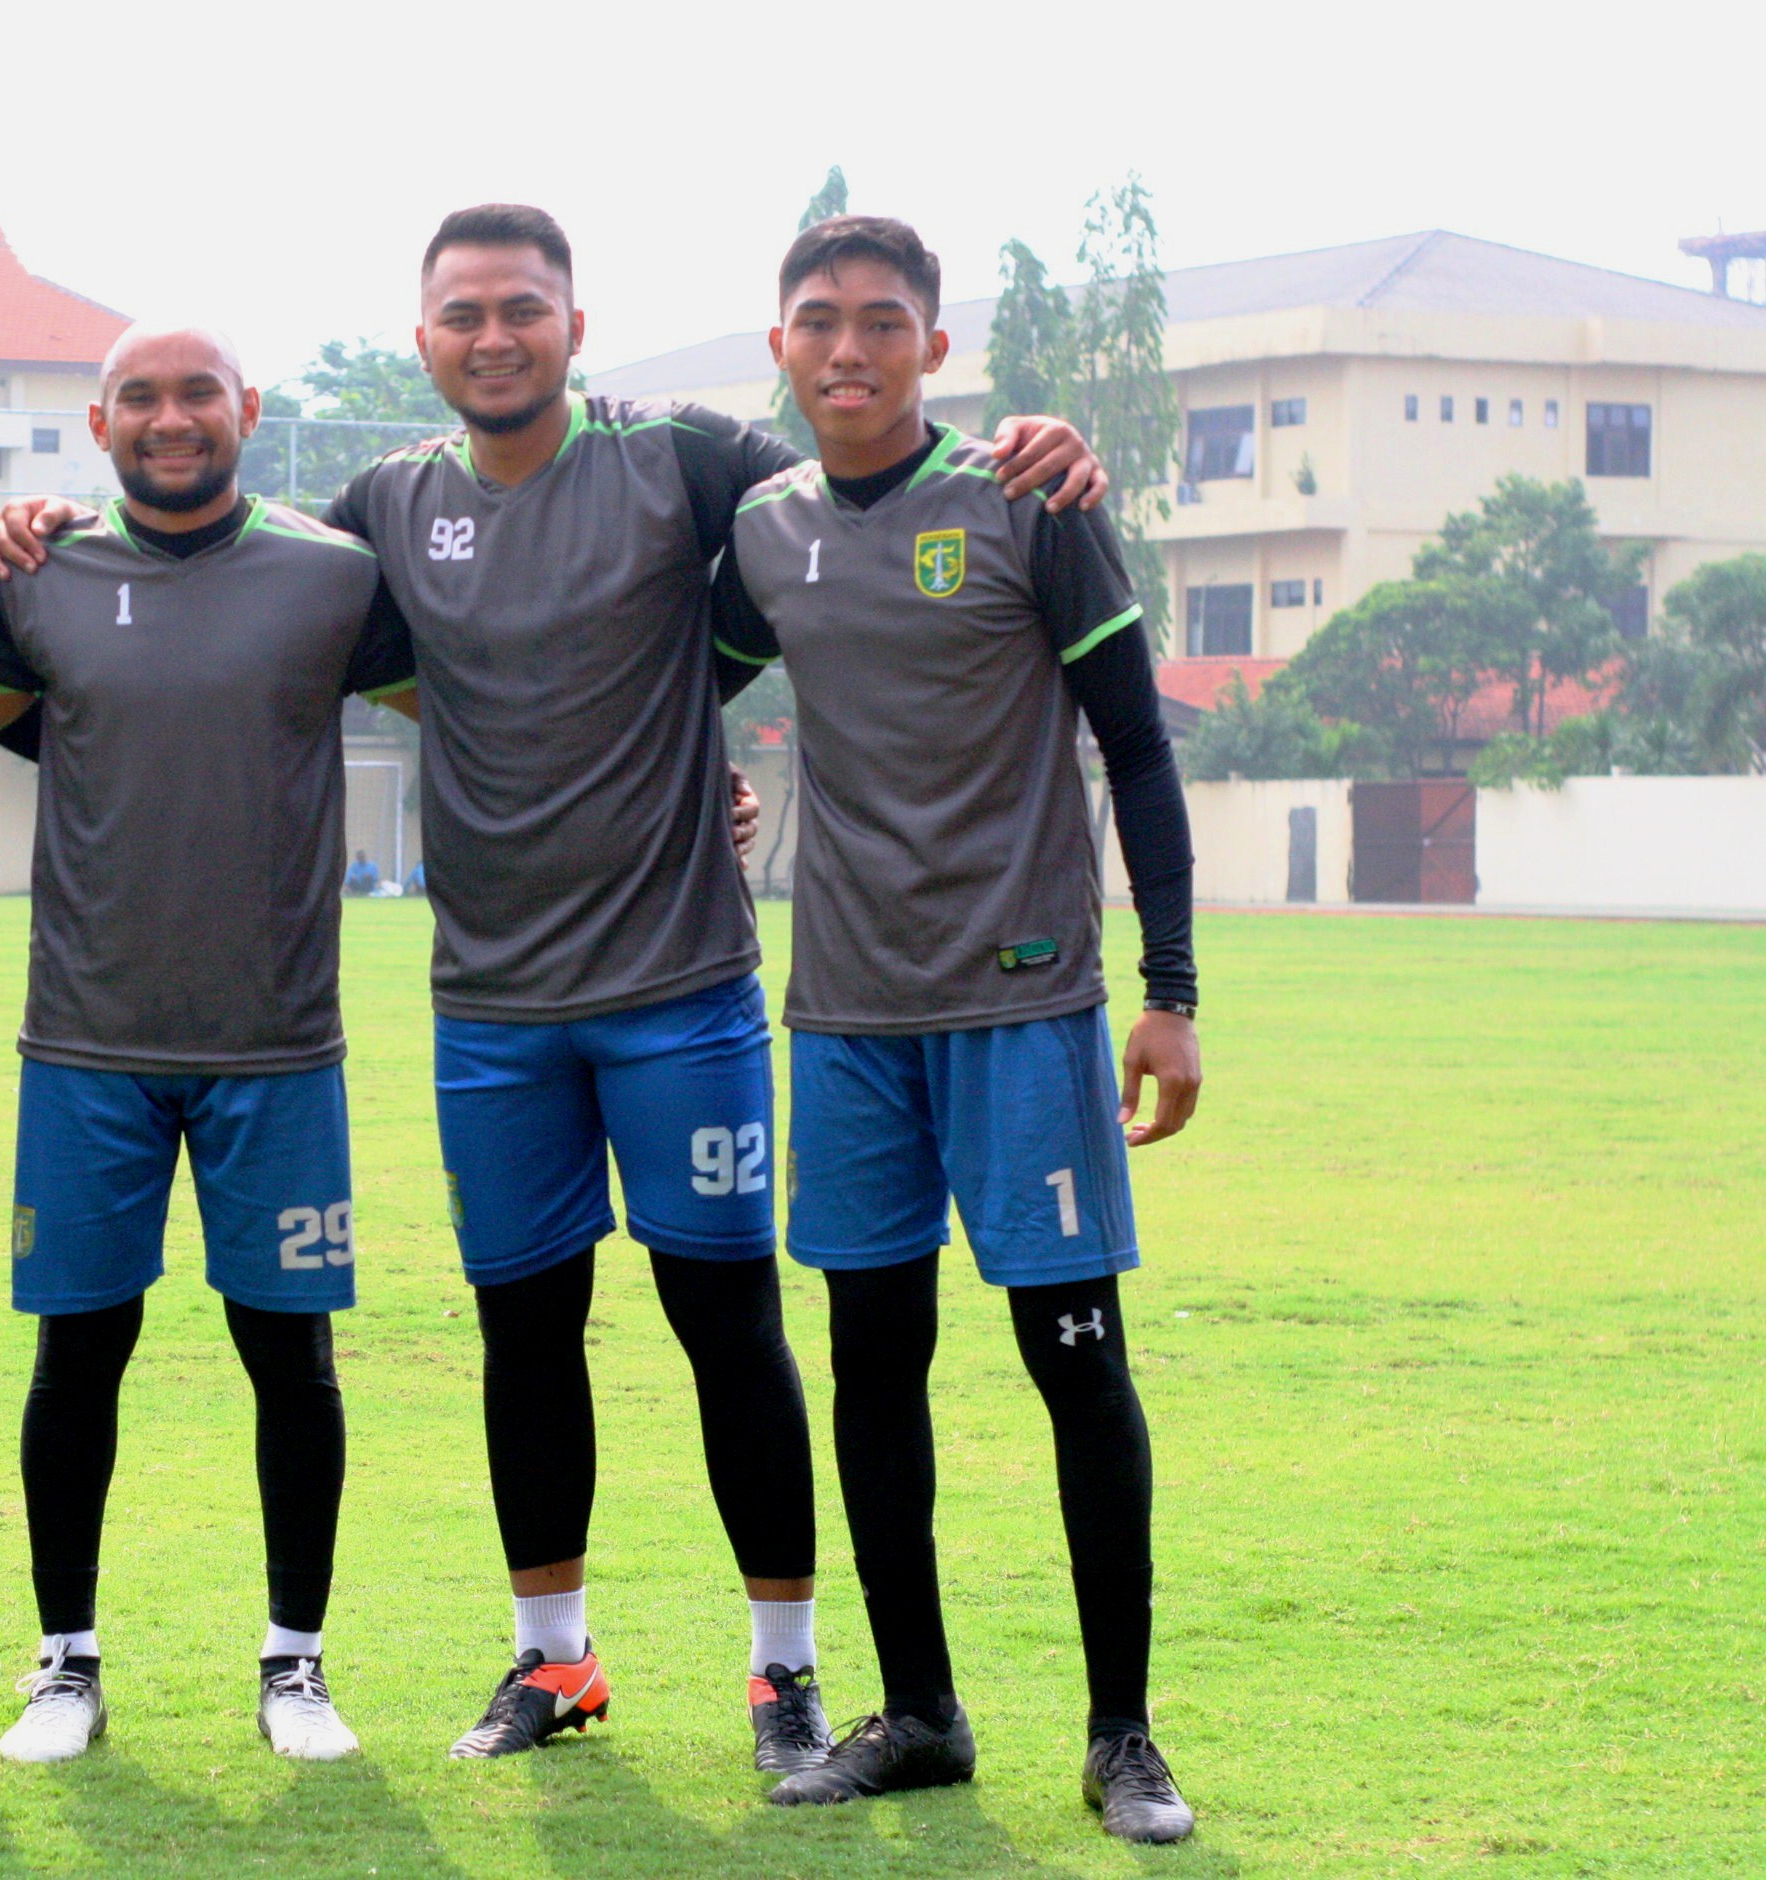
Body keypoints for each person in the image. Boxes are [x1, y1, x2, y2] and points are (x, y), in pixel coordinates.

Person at [0, 203, 1106, 1769]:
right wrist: (40, 523)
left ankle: (781, 1672)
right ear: (425, 335)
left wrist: (1021, 446)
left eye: (524, 308)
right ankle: (551, 1663)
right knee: (527, 1331)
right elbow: (205, 589)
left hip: (681, 987)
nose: (493, 335)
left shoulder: (678, 457)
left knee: (727, 1323)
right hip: (493, 1004)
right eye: (463, 313)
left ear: (575, 328)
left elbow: (864, 444)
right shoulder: (381, 505)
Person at [716, 214, 1200, 1842]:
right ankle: (920, 1712)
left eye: (881, 322)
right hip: (845, 1014)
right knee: (873, 1369)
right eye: (816, 322)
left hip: (1024, 1005)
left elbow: (1138, 751)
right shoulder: (764, 533)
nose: (846, 349)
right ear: (777, 343)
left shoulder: (1029, 499)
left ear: (932, 343)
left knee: (1077, 1366)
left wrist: (1173, 996)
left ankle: (1123, 1735)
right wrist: (701, 784)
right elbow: (654, 687)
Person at [0, 323, 416, 1763]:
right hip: (86, 1042)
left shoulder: (336, 577)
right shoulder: (38, 577)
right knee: (78, 1356)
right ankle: (66, 1665)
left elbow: (505, 718)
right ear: (97, 422)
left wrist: (702, 791)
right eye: (140, 398)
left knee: (294, 1357)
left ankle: (296, 1665)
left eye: (196, 393)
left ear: (246, 410)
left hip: (278, 1045)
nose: (170, 418)